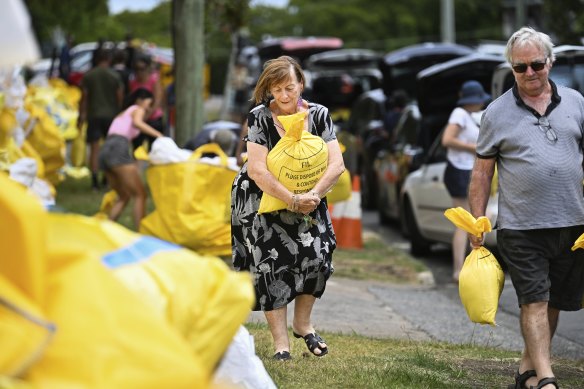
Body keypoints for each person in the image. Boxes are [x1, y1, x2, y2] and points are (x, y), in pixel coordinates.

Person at [468, 27, 584, 389]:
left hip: (572, 222)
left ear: (550, 62)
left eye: (536, 64)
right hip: (521, 227)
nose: (530, 73)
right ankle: (547, 378)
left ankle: (527, 371)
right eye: (521, 68)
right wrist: (478, 221)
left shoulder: (577, 102)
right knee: (534, 299)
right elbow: (482, 172)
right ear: (511, 68)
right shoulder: (496, 113)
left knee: (554, 303)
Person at [230, 56, 345, 361]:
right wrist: (290, 199)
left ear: (301, 85)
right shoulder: (259, 118)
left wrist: (314, 195)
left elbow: (337, 164)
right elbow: (257, 170)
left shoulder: (319, 115)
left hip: (310, 195)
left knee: (318, 257)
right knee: (272, 266)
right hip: (262, 198)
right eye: (276, 89)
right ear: (268, 89)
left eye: (289, 88)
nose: (283, 96)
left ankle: (303, 323)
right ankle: (281, 344)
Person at [441, 80, 490, 283]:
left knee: (475, 222)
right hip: (459, 171)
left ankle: (471, 268)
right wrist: (474, 148)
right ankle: (458, 270)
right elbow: (447, 140)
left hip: (469, 171)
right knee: (464, 223)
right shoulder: (459, 114)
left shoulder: (475, 116)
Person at [98, 88, 163, 230]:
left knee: (124, 195)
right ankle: (141, 233)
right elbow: (138, 123)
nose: (148, 108)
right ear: (140, 100)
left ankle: (106, 229)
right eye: (148, 103)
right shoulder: (137, 108)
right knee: (140, 194)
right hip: (117, 148)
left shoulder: (123, 113)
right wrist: (159, 135)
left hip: (105, 150)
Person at [78, 48, 124, 190]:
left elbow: (84, 98)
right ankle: (106, 179)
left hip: (94, 115)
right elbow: (119, 96)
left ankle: (94, 181)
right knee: (109, 149)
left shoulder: (89, 76)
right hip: (111, 116)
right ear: (108, 60)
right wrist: (119, 113)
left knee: (94, 149)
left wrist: (82, 115)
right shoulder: (115, 76)